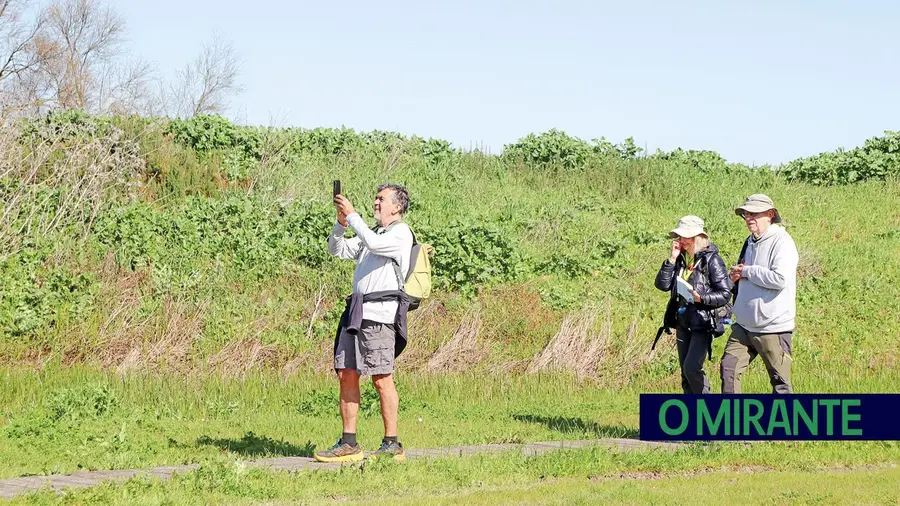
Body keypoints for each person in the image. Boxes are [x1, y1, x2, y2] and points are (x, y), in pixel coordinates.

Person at [313, 183, 414, 462]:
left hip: (380, 316)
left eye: (382, 199)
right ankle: (349, 443)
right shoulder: (374, 232)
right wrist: (340, 224)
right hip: (356, 313)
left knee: (382, 378)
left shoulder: (400, 233)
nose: (377, 203)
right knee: (347, 372)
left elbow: (373, 243)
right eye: (376, 198)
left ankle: (392, 443)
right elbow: (338, 250)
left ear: (397, 206)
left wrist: (354, 216)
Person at [720, 194, 798, 394]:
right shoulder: (749, 242)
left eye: (754, 213)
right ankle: (731, 423)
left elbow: (780, 279)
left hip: (773, 327)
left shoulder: (783, 242)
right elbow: (746, 274)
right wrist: (736, 276)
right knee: (728, 368)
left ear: (770, 214)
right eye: (746, 214)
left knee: (780, 384)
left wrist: (747, 271)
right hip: (744, 326)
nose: (748, 218)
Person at [655, 215, 732, 394]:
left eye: (685, 237)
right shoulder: (681, 259)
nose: (681, 241)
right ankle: (694, 418)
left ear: (697, 237)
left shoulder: (712, 260)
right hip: (683, 322)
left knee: (692, 368)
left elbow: (725, 294)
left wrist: (702, 298)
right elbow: (662, 285)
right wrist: (672, 259)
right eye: (679, 237)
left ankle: (710, 410)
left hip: (703, 323)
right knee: (685, 373)